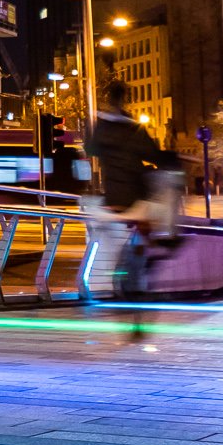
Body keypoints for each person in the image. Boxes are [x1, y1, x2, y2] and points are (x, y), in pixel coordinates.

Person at [82, 79, 167, 299]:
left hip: (112, 192)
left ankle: (119, 272)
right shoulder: (132, 128)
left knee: (122, 230)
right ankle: (145, 263)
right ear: (125, 98)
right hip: (135, 193)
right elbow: (153, 154)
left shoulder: (101, 126)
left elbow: (90, 148)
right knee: (151, 219)